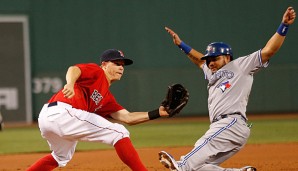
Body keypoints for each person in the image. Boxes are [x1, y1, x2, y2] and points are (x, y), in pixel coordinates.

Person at [159, 6, 296, 171]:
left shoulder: (240, 66)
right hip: (226, 128)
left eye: (215, 58)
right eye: (209, 59)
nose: (211, 63)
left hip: (231, 122)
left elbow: (268, 51)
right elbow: (199, 60)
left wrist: (284, 26)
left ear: (227, 57)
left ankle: (180, 165)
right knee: (199, 167)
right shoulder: (212, 73)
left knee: (203, 145)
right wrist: (181, 44)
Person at [27, 49, 171, 171]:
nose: (121, 67)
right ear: (104, 64)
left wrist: (158, 112)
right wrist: (70, 84)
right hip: (62, 112)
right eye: (117, 63)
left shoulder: (106, 97)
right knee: (119, 132)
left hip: (48, 117)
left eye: (123, 65)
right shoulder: (97, 72)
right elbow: (74, 69)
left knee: (60, 157)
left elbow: (128, 117)